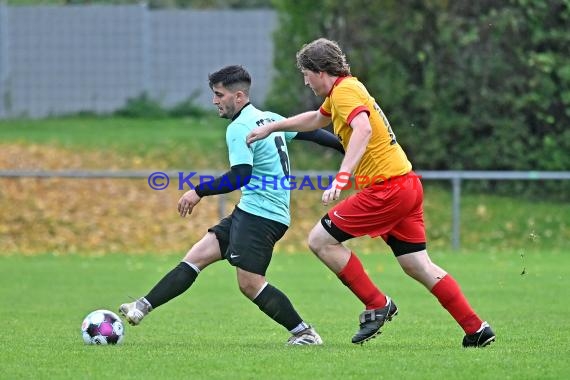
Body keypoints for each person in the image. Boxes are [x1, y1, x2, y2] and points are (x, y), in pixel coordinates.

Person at [246, 38, 496, 348]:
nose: (305, 80)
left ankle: (377, 304)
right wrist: (272, 127)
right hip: (406, 184)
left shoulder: (346, 92)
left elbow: (362, 129)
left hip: (387, 188)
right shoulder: (343, 92)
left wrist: (341, 177)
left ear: (320, 71)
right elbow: (316, 119)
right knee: (417, 265)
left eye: (305, 73)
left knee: (320, 240)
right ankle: (476, 328)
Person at [119, 65, 344, 345]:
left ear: (238, 97)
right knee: (198, 255)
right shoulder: (268, 118)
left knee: (250, 284)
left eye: (219, 94)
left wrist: (198, 191)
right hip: (253, 211)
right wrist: (345, 146)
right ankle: (142, 306)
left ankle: (305, 333)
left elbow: (241, 176)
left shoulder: (239, 127)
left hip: (261, 216)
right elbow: (312, 134)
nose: (214, 101)